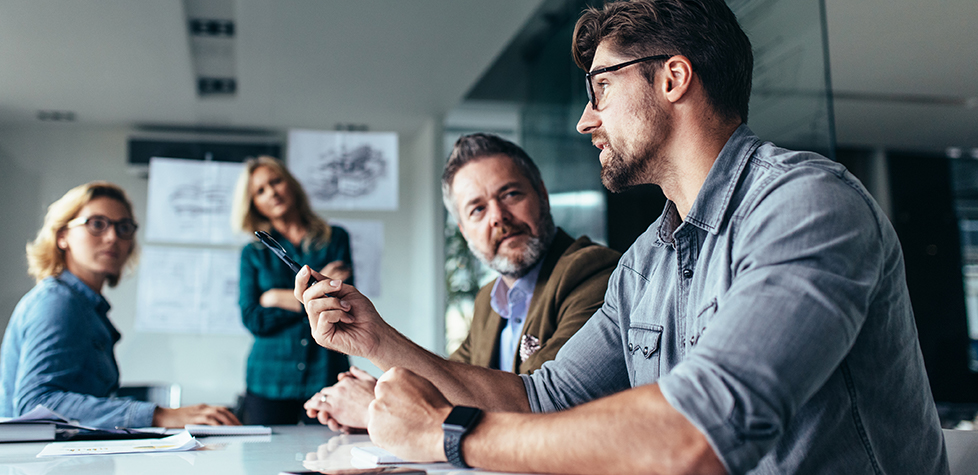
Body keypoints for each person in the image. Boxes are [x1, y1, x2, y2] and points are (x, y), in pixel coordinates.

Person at [295, 0, 950, 473]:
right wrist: (375, 338)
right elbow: (541, 398)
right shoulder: (647, 263)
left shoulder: (808, 204)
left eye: (601, 87)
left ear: (672, 78)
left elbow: (697, 437)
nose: (586, 119)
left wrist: (450, 433)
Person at [302, 134, 621, 431]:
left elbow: (538, 406)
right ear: (464, 230)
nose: (498, 216)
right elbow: (449, 385)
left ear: (542, 194)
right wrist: (384, 391)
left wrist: (376, 406)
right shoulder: (489, 300)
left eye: (510, 194)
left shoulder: (592, 272)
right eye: (477, 209)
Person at [0, 182, 240, 429]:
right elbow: (35, 404)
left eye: (124, 228)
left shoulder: (86, 307)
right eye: (96, 224)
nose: (113, 237)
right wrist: (159, 415)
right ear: (62, 236)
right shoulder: (57, 302)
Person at [231, 156, 353, 425]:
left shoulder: (335, 239)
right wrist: (314, 297)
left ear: (291, 184)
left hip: (326, 373)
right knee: (265, 464)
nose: (272, 192)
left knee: (330, 458)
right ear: (254, 204)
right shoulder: (253, 254)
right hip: (269, 379)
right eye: (260, 191)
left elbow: (342, 304)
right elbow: (253, 318)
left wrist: (274, 298)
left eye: (276, 182)